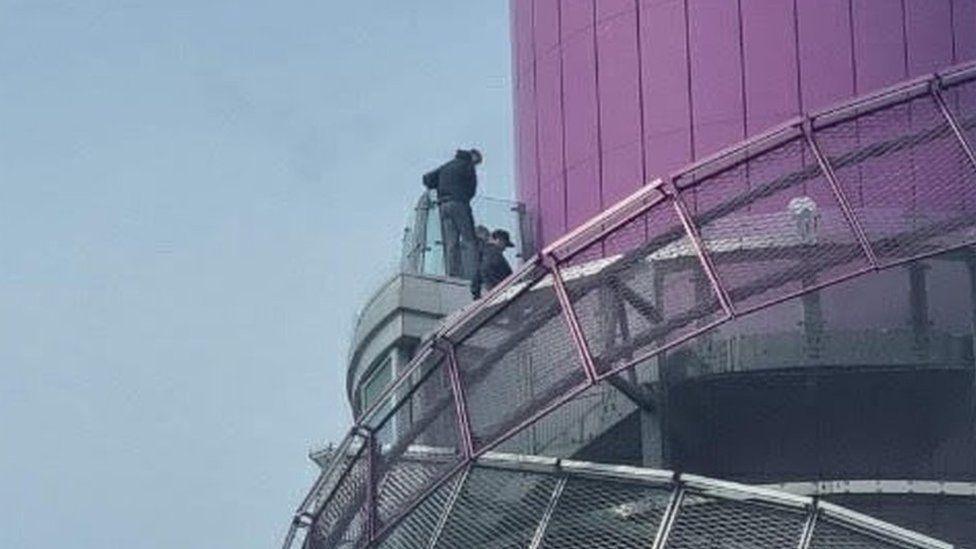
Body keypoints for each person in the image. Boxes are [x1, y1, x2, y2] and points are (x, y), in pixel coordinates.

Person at [422, 149, 482, 279]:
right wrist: (463, 195)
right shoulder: (467, 165)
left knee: (451, 242)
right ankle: (474, 274)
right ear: (473, 156)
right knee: (469, 239)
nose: (476, 165)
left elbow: (427, 179)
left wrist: (440, 188)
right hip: (459, 203)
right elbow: (472, 189)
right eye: (477, 161)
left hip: (443, 206)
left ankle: (452, 274)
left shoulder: (447, 165)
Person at [471, 229, 515, 299]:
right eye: (505, 244)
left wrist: (476, 294)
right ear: (499, 240)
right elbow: (510, 277)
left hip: (492, 294)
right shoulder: (495, 255)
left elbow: (476, 276)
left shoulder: (482, 254)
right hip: (501, 294)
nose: (504, 249)